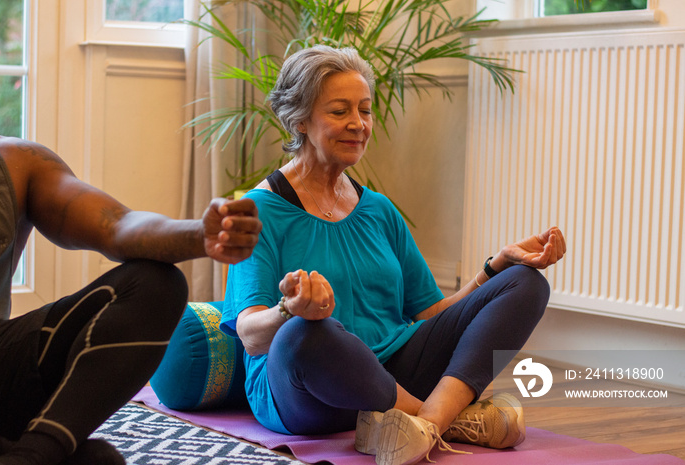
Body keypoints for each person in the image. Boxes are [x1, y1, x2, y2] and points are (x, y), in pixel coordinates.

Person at [220, 45, 566, 465]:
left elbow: (430, 314)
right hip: (309, 392)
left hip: (397, 369)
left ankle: (424, 422)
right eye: (339, 111)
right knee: (304, 333)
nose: (358, 124)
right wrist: (288, 310)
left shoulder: (379, 209)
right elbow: (251, 335)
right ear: (299, 120)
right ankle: (444, 419)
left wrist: (495, 267)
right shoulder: (256, 212)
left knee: (524, 282)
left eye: (365, 110)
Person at [0, 131, 262, 465]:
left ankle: (36, 452)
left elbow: (117, 224)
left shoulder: (17, 161)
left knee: (157, 283)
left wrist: (198, 234)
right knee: (98, 460)